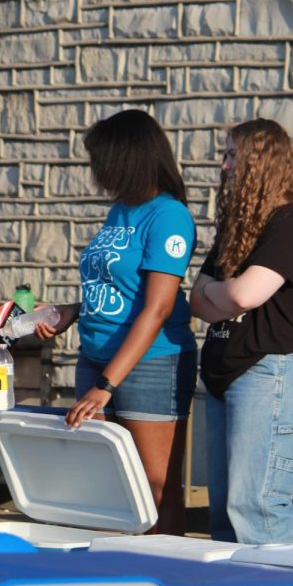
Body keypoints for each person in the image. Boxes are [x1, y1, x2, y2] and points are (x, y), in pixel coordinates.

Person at [36, 109, 196, 535]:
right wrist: (74, 311)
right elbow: (118, 287)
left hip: (150, 365)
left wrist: (105, 386)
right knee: (108, 486)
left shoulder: (168, 215)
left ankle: (171, 579)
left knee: (155, 488)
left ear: (127, 157)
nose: (96, 172)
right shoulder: (120, 211)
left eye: (101, 160)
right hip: (97, 356)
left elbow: (157, 308)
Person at [190, 118, 293, 545]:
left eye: (233, 155)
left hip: (269, 375)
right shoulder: (241, 227)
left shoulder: (290, 224)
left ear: (259, 161)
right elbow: (197, 301)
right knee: (225, 517)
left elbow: (246, 295)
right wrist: (219, 291)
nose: (225, 166)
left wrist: (219, 291)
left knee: (258, 508)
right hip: (225, 374)